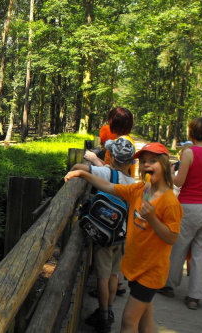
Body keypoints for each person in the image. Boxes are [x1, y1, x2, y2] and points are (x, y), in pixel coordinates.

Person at [65, 142, 183, 333]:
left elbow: (172, 238)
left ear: (165, 164)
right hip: (135, 267)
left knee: (128, 321)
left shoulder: (170, 202)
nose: (147, 165)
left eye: (153, 161)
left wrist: (152, 218)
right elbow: (109, 187)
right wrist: (83, 174)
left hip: (150, 272)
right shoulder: (138, 190)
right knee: (145, 318)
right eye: (143, 161)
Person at [73, 138, 136, 333]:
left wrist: (91, 164)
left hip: (103, 237)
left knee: (102, 276)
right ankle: (109, 310)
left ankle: (103, 315)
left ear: (113, 157)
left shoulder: (106, 173)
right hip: (121, 237)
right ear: (132, 162)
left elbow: (77, 166)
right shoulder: (133, 182)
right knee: (113, 275)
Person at [158, 118, 202, 310]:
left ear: (191, 133)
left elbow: (179, 182)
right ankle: (195, 296)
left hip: (189, 206)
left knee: (178, 246)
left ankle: (168, 285)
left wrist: (170, 171)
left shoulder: (189, 153)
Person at [98, 108, 137, 178]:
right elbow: (110, 165)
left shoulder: (120, 145)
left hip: (117, 187)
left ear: (112, 122)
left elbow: (114, 173)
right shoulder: (127, 141)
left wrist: (94, 160)